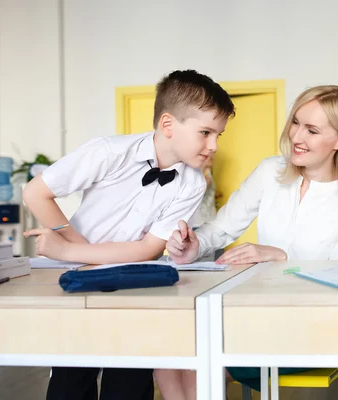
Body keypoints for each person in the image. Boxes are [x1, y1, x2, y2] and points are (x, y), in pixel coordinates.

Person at [22, 69, 235, 400]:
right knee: (72, 376)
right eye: (206, 132)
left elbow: (148, 250)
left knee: (131, 379)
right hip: (75, 284)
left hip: (133, 284)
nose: (214, 145)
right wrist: (70, 243)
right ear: (167, 125)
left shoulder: (193, 183)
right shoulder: (108, 152)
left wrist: (66, 250)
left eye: (218, 134)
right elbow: (36, 193)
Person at [155, 85, 338, 399]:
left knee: (195, 367)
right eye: (296, 123)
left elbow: (337, 275)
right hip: (255, 315)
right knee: (166, 360)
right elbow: (220, 229)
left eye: (312, 130)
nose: (297, 136)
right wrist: (194, 245)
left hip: (311, 326)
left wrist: (280, 255)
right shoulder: (270, 172)